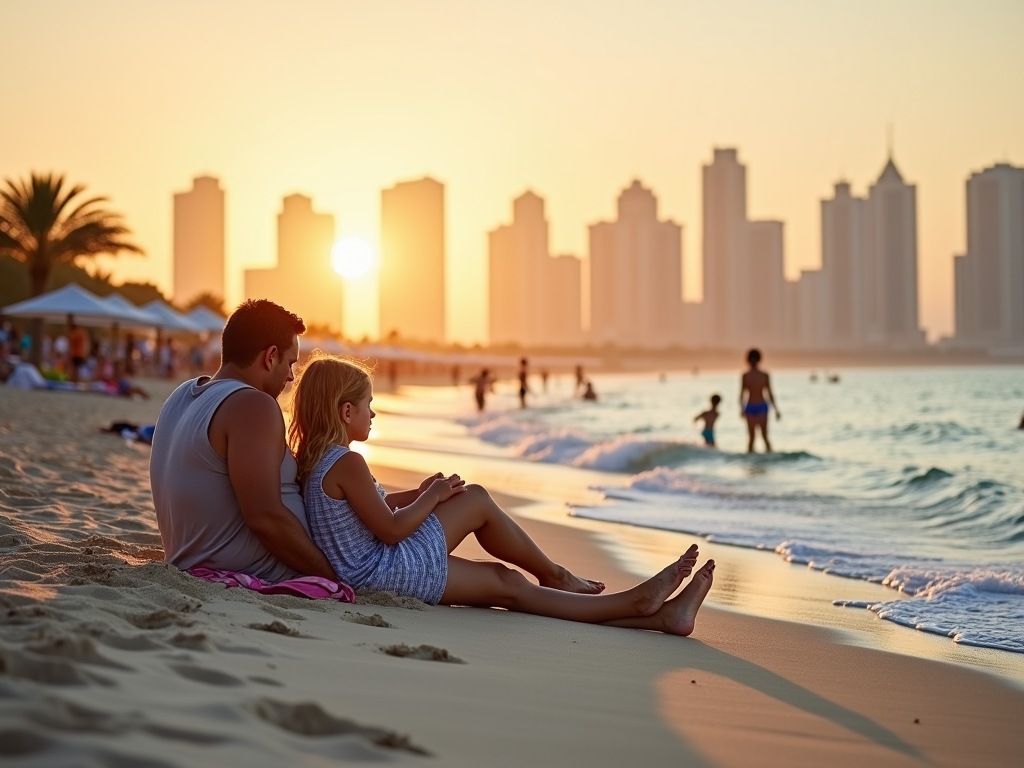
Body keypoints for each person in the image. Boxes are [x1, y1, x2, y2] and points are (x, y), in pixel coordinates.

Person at [290, 354, 716, 634]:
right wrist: (433, 496)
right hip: (384, 569)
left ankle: (662, 615)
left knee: (507, 581)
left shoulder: (319, 460)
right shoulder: (347, 462)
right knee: (476, 504)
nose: (373, 412)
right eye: (368, 404)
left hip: (373, 569)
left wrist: (418, 492)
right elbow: (389, 529)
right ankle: (564, 578)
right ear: (346, 412)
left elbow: (371, 508)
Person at [150, 299, 336, 583]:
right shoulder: (252, 405)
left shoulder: (183, 394)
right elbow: (264, 517)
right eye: (290, 362)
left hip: (188, 559)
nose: (290, 375)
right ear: (270, 355)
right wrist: (331, 575)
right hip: (246, 569)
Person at [740, 348, 780, 453]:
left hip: (760, 406)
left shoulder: (763, 375)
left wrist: (776, 409)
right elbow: (741, 395)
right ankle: (754, 459)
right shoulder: (747, 376)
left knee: (763, 436)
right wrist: (742, 409)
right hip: (752, 406)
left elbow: (770, 393)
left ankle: (765, 457)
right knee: (753, 437)